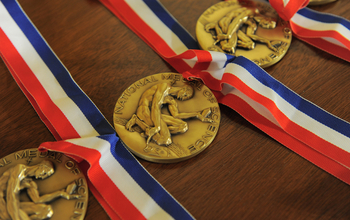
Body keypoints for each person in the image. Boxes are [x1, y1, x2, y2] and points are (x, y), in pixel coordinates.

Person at [125, 82, 213, 146]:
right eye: (186, 95)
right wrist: (157, 127)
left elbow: (176, 115)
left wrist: (197, 114)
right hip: (144, 111)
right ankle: (137, 120)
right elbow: (155, 106)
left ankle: (151, 130)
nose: (184, 99)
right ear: (184, 89)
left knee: (183, 126)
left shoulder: (171, 100)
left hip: (155, 114)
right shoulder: (164, 87)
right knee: (165, 140)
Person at [0, 160, 81, 220]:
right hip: (2, 201)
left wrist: (60, 193)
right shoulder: (19, 169)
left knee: (46, 210)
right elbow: (11, 196)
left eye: (46, 176)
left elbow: (38, 200)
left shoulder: (30, 183)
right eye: (45, 173)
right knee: (17, 215)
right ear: (42, 166)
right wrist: (16, 218)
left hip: (10, 202)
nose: (43, 177)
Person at [205, 6, 280, 54]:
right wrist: (228, 35)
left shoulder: (253, 23)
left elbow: (250, 35)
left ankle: (225, 40)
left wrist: (267, 41)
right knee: (229, 46)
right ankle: (224, 39)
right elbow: (237, 21)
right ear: (267, 19)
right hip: (226, 22)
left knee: (250, 44)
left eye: (267, 27)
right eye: (267, 24)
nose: (264, 26)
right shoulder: (252, 11)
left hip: (233, 28)